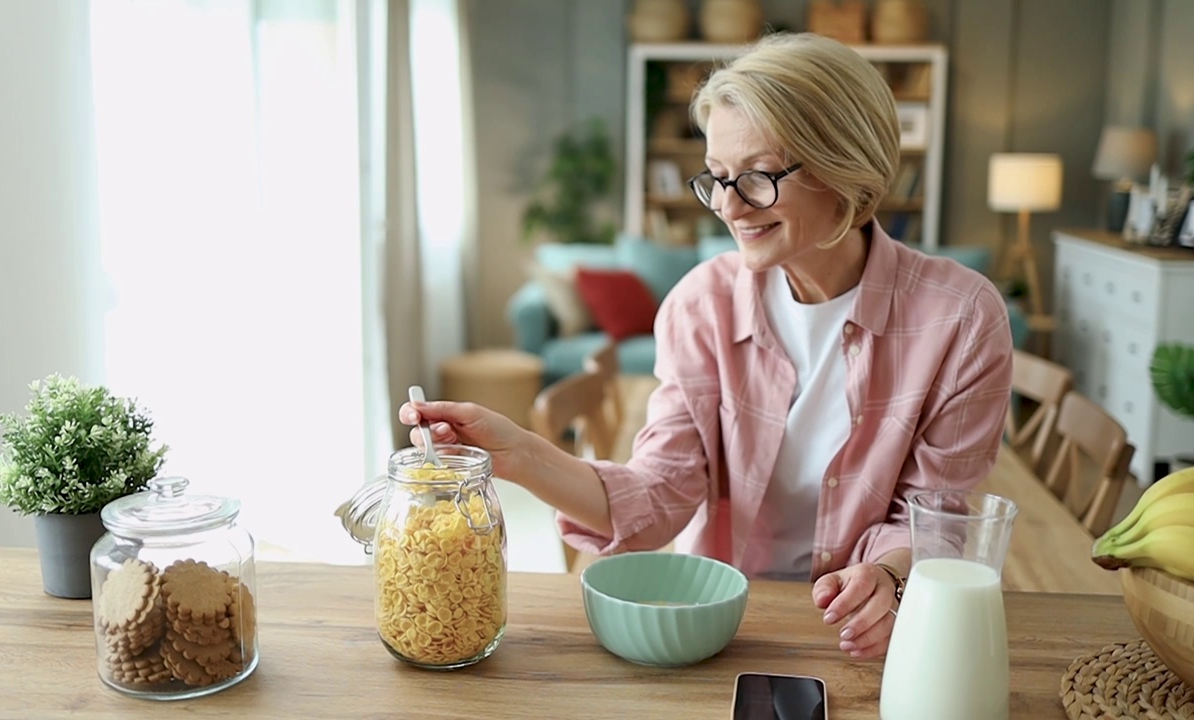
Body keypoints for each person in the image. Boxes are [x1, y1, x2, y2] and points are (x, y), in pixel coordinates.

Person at [400, 31, 1012, 660]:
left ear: (845, 168)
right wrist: (522, 454)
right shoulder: (702, 305)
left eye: (756, 177)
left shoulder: (961, 320)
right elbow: (662, 490)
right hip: (719, 624)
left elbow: (932, 516)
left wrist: (888, 579)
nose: (728, 206)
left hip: (862, 635)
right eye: (718, 178)